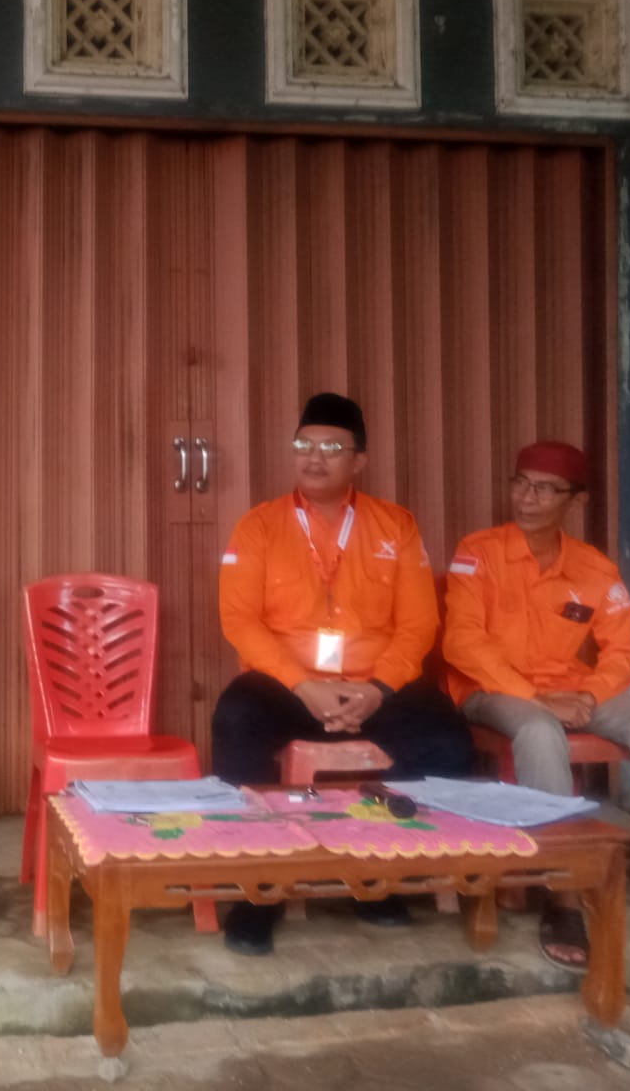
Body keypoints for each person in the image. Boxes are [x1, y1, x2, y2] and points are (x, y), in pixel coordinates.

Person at [444, 441, 630, 976]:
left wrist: (588, 695)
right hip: (494, 691)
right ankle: (562, 892)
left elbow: (625, 651)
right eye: (521, 483)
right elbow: (463, 643)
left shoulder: (593, 567)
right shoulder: (478, 552)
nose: (527, 498)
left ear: (575, 501)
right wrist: (535, 697)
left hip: (573, 692)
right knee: (540, 731)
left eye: (545, 489)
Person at [212, 392, 474, 956]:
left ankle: (377, 875)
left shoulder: (395, 527)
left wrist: (378, 689)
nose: (314, 457)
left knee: (447, 737)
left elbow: (418, 625)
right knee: (235, 718)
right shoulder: (259, 527)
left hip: (373, 685)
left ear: (359, 461)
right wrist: (303, 685)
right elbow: (240, 620)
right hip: (288, 686)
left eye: (331, 447)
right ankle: (258, 890)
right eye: (303, 445)